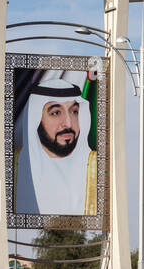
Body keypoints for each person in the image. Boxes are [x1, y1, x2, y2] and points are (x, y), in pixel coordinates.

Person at [13, 69, 97, 216]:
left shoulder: (95, 166)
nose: (68, 123)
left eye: (74, 112)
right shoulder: (17, 166)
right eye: (56, 113)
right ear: (35, 119)